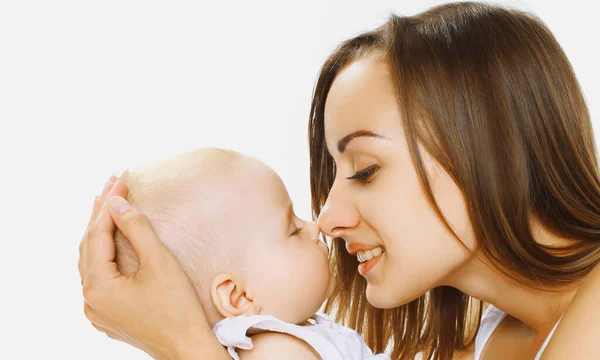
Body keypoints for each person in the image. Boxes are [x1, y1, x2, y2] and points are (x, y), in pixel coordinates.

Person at [79, 2, 600, 359]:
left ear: (490, 145)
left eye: (365, 170)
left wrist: (184, 344)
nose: (327, 218)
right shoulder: (475, 344)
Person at [109, 147, 387, 359]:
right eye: (292, 229)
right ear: (238, 296)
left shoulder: (296, 339)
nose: (314, 228)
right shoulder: (276, 352)